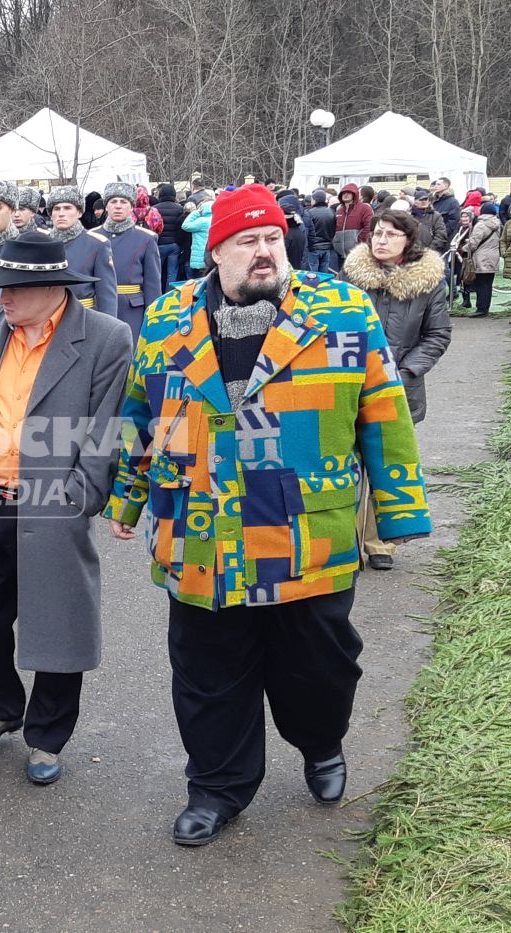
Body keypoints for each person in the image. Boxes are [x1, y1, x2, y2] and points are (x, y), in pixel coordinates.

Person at [106, 184, 431, 847]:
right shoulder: (168, 319)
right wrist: (127, 495)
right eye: (246, 242)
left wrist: (399, 507)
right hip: (199, 530)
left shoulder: (341, 311)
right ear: (214, 252)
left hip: (305, 531)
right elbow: (139, 413)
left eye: (271, 240)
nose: (263, 253)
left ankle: (320, 742)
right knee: (206, 674)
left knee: (320, 669)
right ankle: (217, 786)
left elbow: (385, 409)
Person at [0, 231, 134, 786]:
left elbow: (107, 430)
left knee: (57, 618)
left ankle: (48, 734)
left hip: (52, 503)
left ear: (51, 288)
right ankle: (0, 706)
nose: (1, 298)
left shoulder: (106, 338)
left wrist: (79, 496)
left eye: (11, 288)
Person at [340, 210, 451, 571]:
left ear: (408, 240)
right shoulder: (350, 278)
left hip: (400, 388)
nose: (381, 240)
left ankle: (379, 542)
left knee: (386, 466)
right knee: (346, 465)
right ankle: (347, 541)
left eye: (390, 234)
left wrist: (404, 371)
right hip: (348, 385)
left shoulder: (429, 283)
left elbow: (437, 335)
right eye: (377, 233)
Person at [99, 181, 162, 337]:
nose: (118, 206)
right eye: (113, 201)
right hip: (98, 309)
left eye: (123, 202)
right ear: (106, 206)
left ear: (131, 206)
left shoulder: (146, 239)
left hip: (132, 311)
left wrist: (153, 320)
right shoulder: (93, 237)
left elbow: (152, 284)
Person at [44, 186, 118, 317]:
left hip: (84, 317)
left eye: (67, 208)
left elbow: (106, 295)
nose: (61, 213)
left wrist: (108, 330)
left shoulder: (97, 244)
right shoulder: (41, 244)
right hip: (47, 318)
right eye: (56, 208)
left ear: (79, 213)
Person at [457, 203, 502, 318]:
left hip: (481, 257)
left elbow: (474, 243)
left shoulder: (480, 225)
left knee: (481, 284)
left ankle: (481, 309)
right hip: (493, 256)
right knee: (488, 284)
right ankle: (485, 307)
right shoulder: (498, 224)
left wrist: (463, 248)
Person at [153, 183, 187, 288]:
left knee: (157, 272)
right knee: (172, 273)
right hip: (174, 245)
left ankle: (157, 293)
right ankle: (169, 295)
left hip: (159, 244)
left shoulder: (154, 209)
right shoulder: (180, 209)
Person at [332, 183, 374, 257]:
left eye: (349, 193)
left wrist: (358, 241)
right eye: (343, 193)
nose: (346, 195)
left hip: (357, 254)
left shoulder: (365, 208)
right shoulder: (339, 210)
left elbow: (369, 226)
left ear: (355, 194)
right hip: (340, 253)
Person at [180, 190, 214, 280]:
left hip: (199, 259)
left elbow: (185, 225)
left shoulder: (201, 221)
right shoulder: (216, 220)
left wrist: (196, 212)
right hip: (211, 257)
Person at [303, 189, 337, 274]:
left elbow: (308, 232)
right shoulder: (331, 212)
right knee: (324, 274)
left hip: (313, 248)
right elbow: (334, 229)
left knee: (312, 275)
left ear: (315, 200)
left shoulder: (309, 213)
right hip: (327, 247)